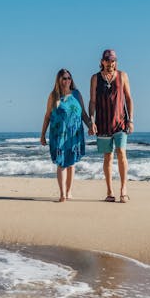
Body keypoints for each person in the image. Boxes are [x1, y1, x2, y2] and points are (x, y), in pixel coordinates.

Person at [89, 49, 134, 203]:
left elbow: (128, 99)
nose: (110, 63)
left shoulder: (123, 76)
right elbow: (92, 101)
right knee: (107, 157)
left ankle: (123, 189)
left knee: (121, 152)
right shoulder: (95, 78)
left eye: (113, 61)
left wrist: (131, 120)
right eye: (107, 60)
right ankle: (109, 191)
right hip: (102, 123)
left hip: (120, 122)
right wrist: (91, 121)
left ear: (116, 62)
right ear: (102, 61)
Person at [40, 69, 91, 202]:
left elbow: (83, 114)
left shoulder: (77, 94)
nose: (67, 80)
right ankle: (62, 194)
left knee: (71, 163)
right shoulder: (53, 96)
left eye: (69, 78)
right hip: (59, 134)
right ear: (59, 80)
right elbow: (47, 116)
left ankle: (68, 192)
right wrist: (42, 135)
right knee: (61, 163)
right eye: (64, 78)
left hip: (74, 134)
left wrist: (91, 125)